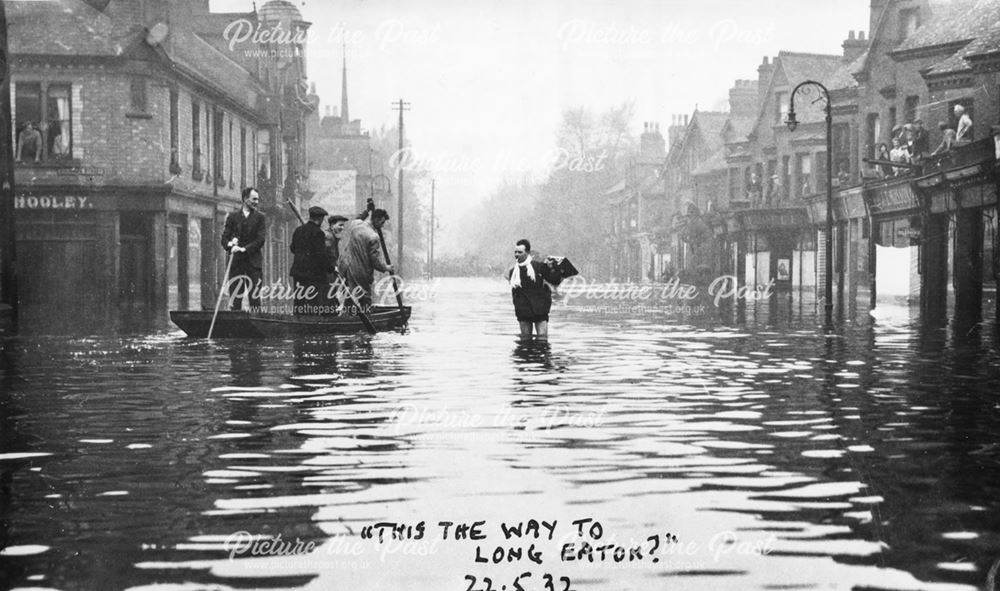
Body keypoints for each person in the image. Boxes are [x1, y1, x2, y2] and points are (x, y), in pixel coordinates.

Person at [337, 208, 393, 311]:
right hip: (360, 270)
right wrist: (386, 267)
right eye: (382, 222)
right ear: (376, 220)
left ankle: (347, 319)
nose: (382, 225)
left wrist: (367, 210)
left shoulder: (356, 224)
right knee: (365, 297)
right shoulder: (373, 236)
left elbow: (358, 218)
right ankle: (367, 319)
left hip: (345, 266)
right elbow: (375, 261)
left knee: (349, 295)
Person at [506, 239, 562, 340]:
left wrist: (554, 268)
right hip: (523, 309)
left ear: (527, 252)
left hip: (540, 309)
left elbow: (554, 281)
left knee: (542, 339)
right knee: (525, 340)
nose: (517, 255)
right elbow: (514, 291)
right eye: (515, 252)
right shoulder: (513, 271)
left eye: (520, 252)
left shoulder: (540, 266)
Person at [221, 187, 266, 310]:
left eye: (257, 199)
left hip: (253, 264)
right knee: (235, 299)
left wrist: (244, 249)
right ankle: (235, 328)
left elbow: (260, 240)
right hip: (236, 264)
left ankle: (257, 326)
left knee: (255, 300)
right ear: (245, 199)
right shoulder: (233, 217)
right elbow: (224, 239)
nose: (256, 202)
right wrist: (230, 245)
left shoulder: (260, 217)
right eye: (254, 199)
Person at [290, 206, 331, 315]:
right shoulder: (319, 233)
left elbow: (292, 248)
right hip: (313, 274)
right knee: (313, 302)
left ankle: (298, 321)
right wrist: (331, 268)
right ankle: (312, 324)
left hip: (298, 272)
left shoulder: (298, 230)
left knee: (300, 300)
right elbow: (321, 255)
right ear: (320, 219)